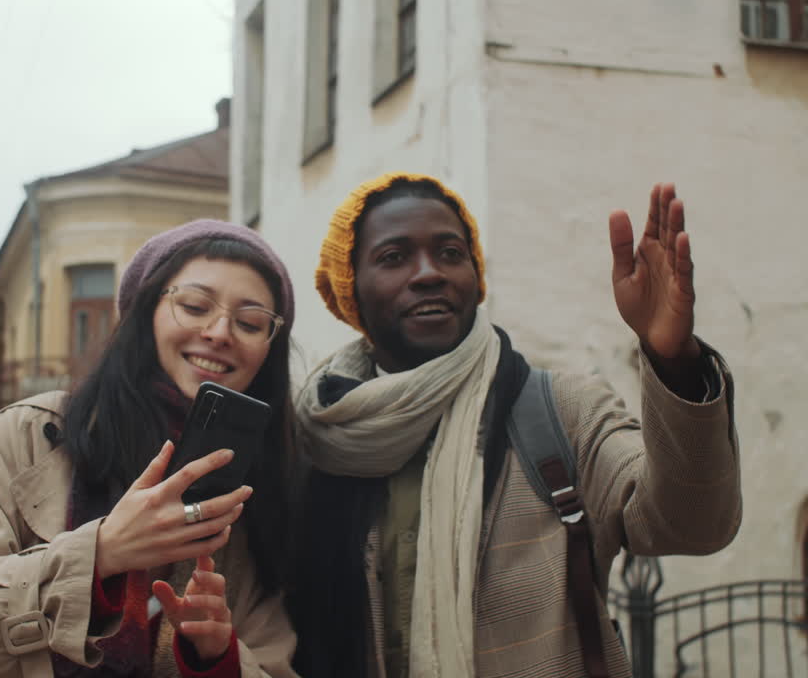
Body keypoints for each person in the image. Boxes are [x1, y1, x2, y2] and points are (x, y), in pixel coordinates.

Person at [286, 173, 741, 678]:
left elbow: (695, 522)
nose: (429, 273)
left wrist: (673, 360)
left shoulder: (560, 411)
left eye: (450, 253)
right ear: (353, 291)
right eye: (394, 258)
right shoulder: (315, 439)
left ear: (475, 279)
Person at [0, 220, 299, 678]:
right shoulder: (30, 434)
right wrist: (100, 556)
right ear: (143, 312)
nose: (220, 331)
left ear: (270, 348)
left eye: (250, 322)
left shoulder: (257, 488)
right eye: (193, 305)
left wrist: (216, 657)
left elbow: (274, 661)